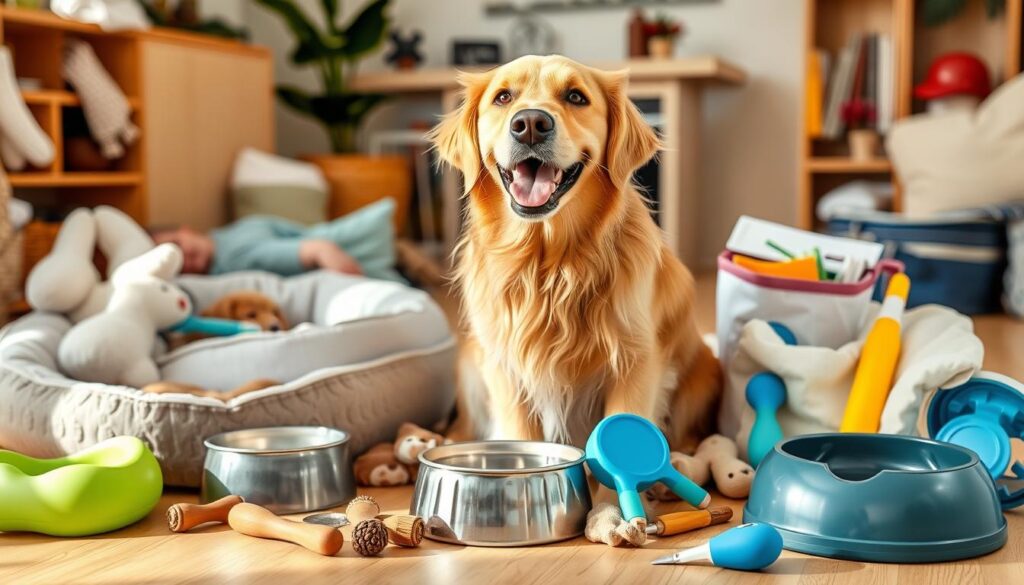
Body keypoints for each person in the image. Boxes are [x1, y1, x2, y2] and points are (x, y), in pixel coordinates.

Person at [152, 198, 405, 282]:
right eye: (175, 265)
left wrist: (358, 290)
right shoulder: (231, 235)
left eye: (176, 247)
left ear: (185, 230)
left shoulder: (232, 255)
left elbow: (319, 249)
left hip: (355, 260)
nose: (183, 260)